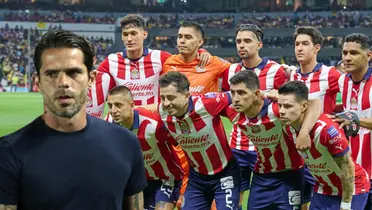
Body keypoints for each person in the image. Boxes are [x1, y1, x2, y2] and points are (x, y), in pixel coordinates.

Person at [0, 30, 147, 210]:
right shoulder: (9, 152)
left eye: (74, 72)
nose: (63, 82)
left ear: (91, 79)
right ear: (37, 82)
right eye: (52, 74)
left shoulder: (126, 143)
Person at [224, 70, 321, 210]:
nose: (235, 98)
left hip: (291, 175)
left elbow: (314, 102)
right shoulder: (233, 112)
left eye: (241, 93)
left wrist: (304, 133)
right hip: (262, 176)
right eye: (233, 93)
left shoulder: (276, 110)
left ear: (256, 94)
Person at [219, 23, 288, 209]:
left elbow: (285, 103)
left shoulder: (276, 71)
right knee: (233, 199)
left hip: (266, 147)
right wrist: (235, 115)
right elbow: (226, 99)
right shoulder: (231, 70)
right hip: (237, 146)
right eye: (238, 41)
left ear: (259, 45)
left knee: (261, 200)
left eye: (247, 41)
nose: (242, 45)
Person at [87, 14, 209, 118]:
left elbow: (183, 60)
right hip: (126, 124)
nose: (129, 39)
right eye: (125, 34)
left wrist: (201, 51)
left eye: (134, 33)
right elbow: (92, 79)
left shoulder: (160, 57)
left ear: (144, 34)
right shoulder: (111, 61)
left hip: (156, 124)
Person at [278, 81, 370, 210]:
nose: (281, 111)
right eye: (280, 105)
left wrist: (346, 205)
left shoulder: (326, 130)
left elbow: (347, 166)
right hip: (323, 188)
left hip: (353, 188)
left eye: (288, 106)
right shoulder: (289, 128)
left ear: (304, 106)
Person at [158, 71, 241, 210]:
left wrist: (268, 95)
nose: (166, 103)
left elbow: (237, 95)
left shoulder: (206, 103)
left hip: (225, 173)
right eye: (163, 97)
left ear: (186, 96)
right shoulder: (162, 111)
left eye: (171, 97)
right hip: (197, 177)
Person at [289, 26, 343, 209]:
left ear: (317, 48)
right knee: (300, 204)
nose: (300, 48)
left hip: (322, 154)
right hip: (297, 153)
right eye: (297, 44)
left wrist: (340, 116)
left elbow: (353, 92)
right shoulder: (291, 76)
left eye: (305, 44)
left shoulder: (331, 74)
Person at [106, 85, 184, 210]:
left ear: (131, 105)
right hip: (138, 181)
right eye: (110, 106)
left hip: (166, 179)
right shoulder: (109, 125)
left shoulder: (153, 124)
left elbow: (180, 144)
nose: (113, 111)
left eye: (118, 105)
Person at [332, 33, 372, 209]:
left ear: (369, 55)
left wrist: (353, 119)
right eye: (344, 53)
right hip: (353, 169)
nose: (347, 58)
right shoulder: (343, 81)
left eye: (353, 53)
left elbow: (353, 117)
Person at [162, 21, 230, 95]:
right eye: (180, 37)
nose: (182, 41)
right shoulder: (167, 62)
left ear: (200, 42)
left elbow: (238, 71)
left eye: (188, 37)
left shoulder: (212, 62)